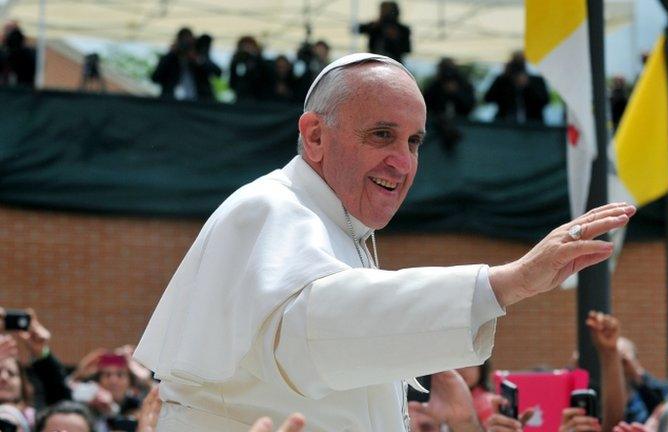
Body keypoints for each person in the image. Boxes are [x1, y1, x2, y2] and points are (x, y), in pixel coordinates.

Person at [135, 52, 634, 431]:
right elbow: (317, 326)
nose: (404, 161)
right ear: (315, 137)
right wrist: (506, 283)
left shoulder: (343, 230)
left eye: (414, 142)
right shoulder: (269, 208)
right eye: (381, 135)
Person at [484, 50, 549, 124]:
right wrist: (505, 82)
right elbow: (488, 98)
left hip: (532, 123)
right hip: (505, 121)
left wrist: (528, 86)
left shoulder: (536, 81)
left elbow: (545, 101)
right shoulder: (502, 80)